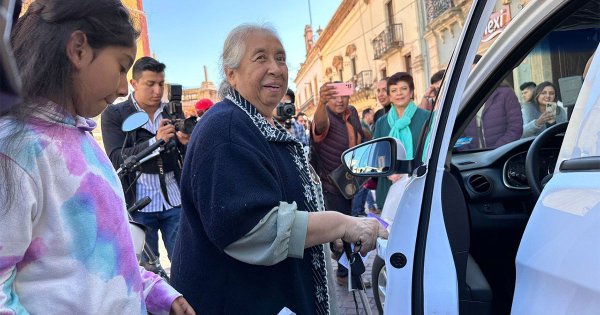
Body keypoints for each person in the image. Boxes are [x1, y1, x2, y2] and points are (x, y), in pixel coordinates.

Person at [170, 24, 387, 314]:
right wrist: (343, 223)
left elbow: (287, 204)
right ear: (231, 74)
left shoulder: (257, 123)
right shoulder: (226, 129)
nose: (275, 68)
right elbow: (253, 228)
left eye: (281, 58)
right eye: (260, 58)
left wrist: (327, 235)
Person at [0, 0, 194, 313]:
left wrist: (156, 292)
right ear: (78, 49)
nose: (121, 88)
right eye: (121, 67)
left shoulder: (84, 141)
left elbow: (106, 263)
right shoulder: (16, 150)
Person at [101, 56, 185, 265]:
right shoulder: (115, 114)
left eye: (161, 84)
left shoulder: (171, 110)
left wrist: (186, 141)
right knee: (147, 270)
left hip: (174, 200)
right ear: (134, 84)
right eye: (150, 84)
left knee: (184, 262)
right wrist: (155, 142)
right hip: (139, 204)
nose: (157, 91)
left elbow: (183, 152)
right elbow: (116, 157)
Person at [311, 80, 367, 285]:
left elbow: (360, 135)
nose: (340, 101)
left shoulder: (351, 112)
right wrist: (320, 103)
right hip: (332, 184)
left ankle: (344, 266)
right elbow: (319, 125)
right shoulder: (324, 114)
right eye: (335, 97)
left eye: (344, 96)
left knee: (349, 227)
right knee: (345, 231)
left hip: (352, 180)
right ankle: (345, 274)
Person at [372, 72, 430, 211]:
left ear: (411, 93)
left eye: (403, 89)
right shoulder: (382, 122)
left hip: (420, 185)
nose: (399, 93)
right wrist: (388, 172)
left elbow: (431, 151)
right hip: (389, 187)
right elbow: (377, 153)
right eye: (394, 90)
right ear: (390, 96)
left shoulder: (427, 118)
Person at [460, 80, 524, 149]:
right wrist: (466, 150)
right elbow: (458, 133)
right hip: (471, 156)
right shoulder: (464, 97)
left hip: (501, 154)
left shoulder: (505, 93)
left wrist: (496, 150)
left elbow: (516, 127)